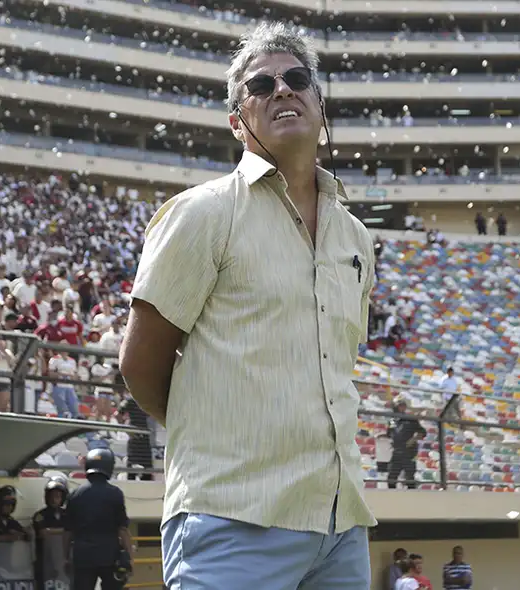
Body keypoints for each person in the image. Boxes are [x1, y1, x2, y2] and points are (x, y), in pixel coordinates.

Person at [120, 21, 376, 590]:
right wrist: (224, 440)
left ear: (319, 103)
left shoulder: (356, 236)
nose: (282, 90)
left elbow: (336, 367)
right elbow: (140, 365)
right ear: (239, 122)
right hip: (232, 519)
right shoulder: (202, 214)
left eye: (297, 78)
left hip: (339, 526)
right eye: (261, 86)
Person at [65, 448, 135, 590]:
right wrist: (129, 556)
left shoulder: (74, 495)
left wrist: (65, 557)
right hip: (109, 557)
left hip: (82, 557)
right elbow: (122, 529)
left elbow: (67, 532)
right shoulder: (115, 494)